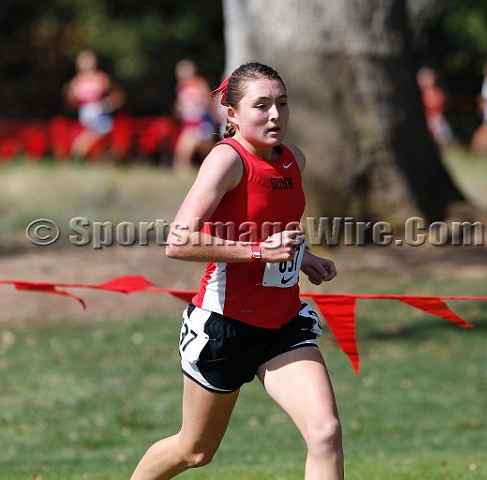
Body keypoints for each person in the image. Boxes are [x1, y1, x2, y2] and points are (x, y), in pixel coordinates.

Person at [129, 62, 344, 480]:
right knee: (194, 451)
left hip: (283, 323)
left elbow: (278, 227)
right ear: (232, 114)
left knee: (325, 432)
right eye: (261, 106)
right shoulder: (227, 160)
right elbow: (178, 241)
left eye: (281, 103)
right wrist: (260, 252)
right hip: (224, 327)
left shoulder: (293, 159)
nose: (276, 115)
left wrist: (305, 257)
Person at [63, 50, 124, 159]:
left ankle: (78, 154)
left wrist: (106, 104)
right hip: (85, 118)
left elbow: (118, 96)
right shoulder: (76, 82)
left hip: (101, 117)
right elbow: (70, 104)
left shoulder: (102, 78)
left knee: (92, 137)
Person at [172, 59, 218, 171]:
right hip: (188, 123)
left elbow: (209, 102)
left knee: (188, 144)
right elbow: (179, 107)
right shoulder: (180, 87)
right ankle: (182, 170)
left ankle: (182, 169)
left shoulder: (200, 83)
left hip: (202, 122)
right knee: (185, 145)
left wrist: (215, 117)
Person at [416, 66, 452, 148]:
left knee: (442, 140)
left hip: (436, 119)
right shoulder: (421, 94)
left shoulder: (436, 92)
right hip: (428, 119)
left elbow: (440, 106)